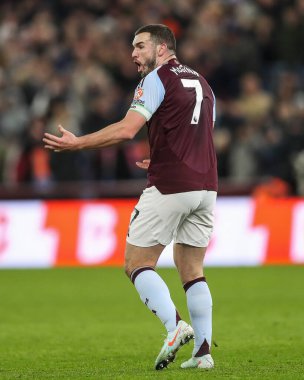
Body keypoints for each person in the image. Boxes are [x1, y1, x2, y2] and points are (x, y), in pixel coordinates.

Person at [43, 24, 217, 371]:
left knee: (136, 264)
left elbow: (126, 129)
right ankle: (203, 354)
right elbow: (198, 132)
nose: (133, 54)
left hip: (170, 186)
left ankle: (174, 327)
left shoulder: (155, 79)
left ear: (163, 48)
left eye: (140, 46)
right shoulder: (201, 81)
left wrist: (78, 143)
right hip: (206, 186)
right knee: (192, 270)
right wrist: (165, 154)